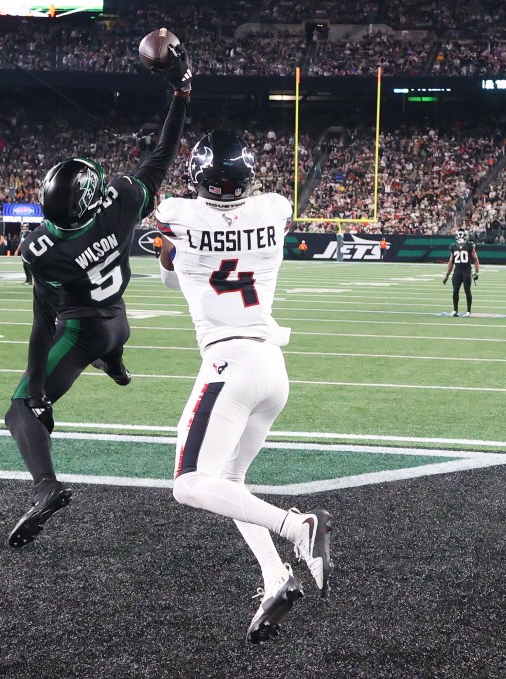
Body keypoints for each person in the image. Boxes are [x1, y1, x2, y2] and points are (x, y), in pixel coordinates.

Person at [4, 40, 191, 549]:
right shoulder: (122, 202)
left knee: (19, 410)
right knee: (105, 337)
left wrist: (38, 390)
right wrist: (181, 93)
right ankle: (116, 361)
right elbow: (161, 158)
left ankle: (45, 487)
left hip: (82, 329)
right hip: (118, 321)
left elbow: (43, 324)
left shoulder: (43, 248)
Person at [154, 131, 333, 645]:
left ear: (198, 178)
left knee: (189, 483)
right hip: (273, 368)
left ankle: (298, 527)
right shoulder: (275, 209)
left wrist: (170, 251)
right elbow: (188, 262)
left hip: (228, 362)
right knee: (230, 484)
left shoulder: (176, 213)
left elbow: (172, 266)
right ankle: (276, 578)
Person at [443, 229, 480, 317]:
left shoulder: (469, 246)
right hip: (458, 271)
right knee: (455, 291)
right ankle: (455, 310)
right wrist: (447, 275)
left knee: (467, 290)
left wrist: (476, 272)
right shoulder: (454, 246)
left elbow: (475, 259)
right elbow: (451, 262)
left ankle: (468, 311)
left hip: (466, 271)